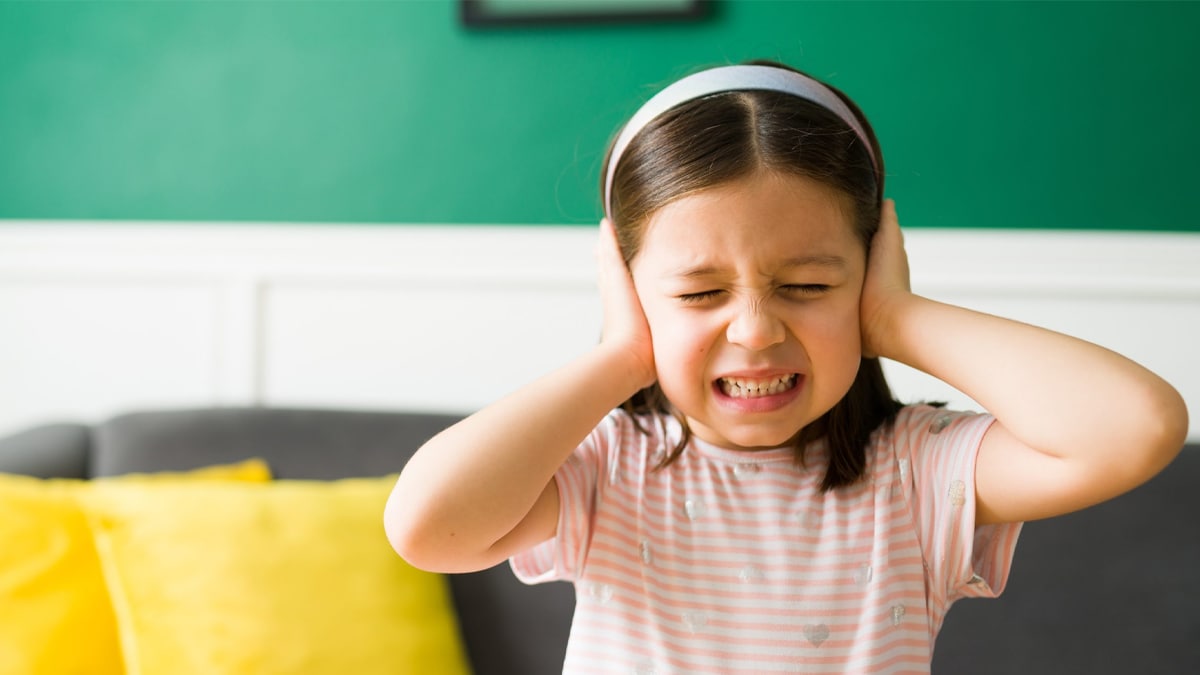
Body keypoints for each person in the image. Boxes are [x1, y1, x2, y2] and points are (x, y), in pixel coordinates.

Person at [384, 60, 1188, 672]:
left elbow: (1136, 427)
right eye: (699, 292)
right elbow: (428, 526)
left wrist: (896, 319)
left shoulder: (917, 471)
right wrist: (621, 356)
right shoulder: (606, 469)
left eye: (807, 285)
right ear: (630, 290)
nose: (757, 330)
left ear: (869, 267)